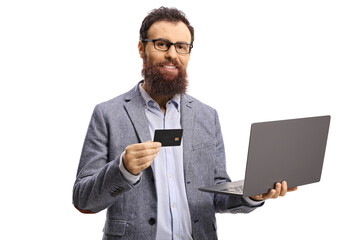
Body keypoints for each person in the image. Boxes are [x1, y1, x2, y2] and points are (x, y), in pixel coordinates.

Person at [73, 7, 297, 240]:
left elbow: (217, 195)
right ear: (142, 48)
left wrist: (252, 194)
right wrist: (123, 170)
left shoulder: (207, 116)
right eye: (162, 44)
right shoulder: (108, 114)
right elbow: (82, 199)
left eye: (181, 46)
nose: (172, 54)